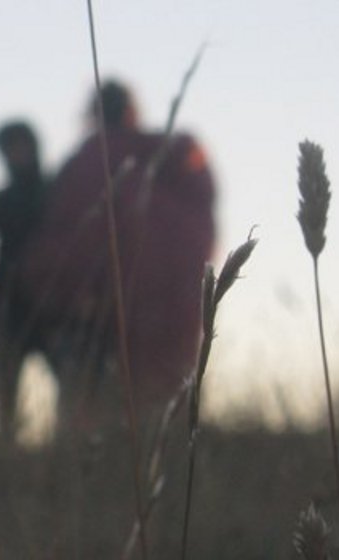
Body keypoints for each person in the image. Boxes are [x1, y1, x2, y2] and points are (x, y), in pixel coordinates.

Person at [20, 80, 216, 426]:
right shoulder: (176, 153)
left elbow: (63, 244)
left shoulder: (82, 166)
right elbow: (205, 217)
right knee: (171, 403)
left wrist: (50, 292)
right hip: (175, 308)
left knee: (95, 415)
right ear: (132, 111)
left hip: (103, 312)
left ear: (93, 114)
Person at [0, 121, 59, 444]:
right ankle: (7, 460)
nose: (15, 154)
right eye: (9, 148)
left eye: (20, 146)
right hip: (6, 314)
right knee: (6, 402)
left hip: (55, 311)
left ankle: (67, 457)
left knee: (73, 392)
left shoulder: (58, 194)